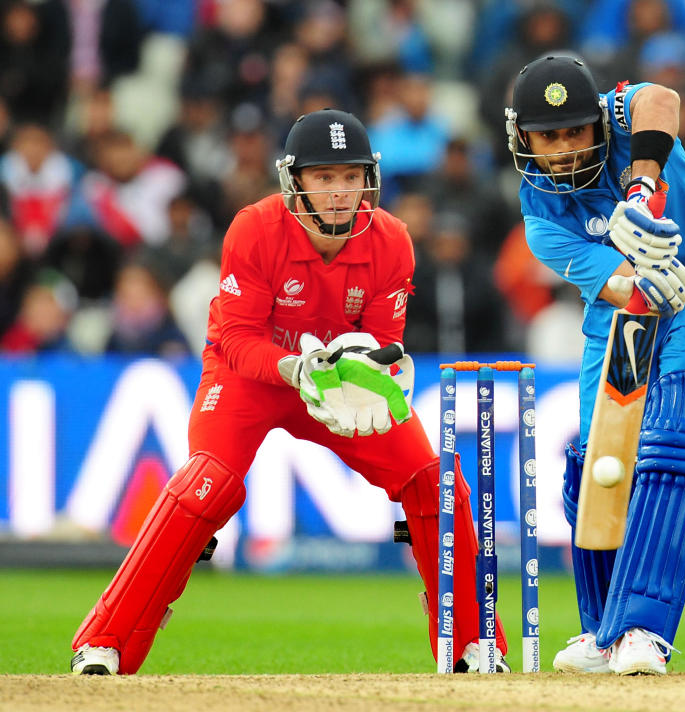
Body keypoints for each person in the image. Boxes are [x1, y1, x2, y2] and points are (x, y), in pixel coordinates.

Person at [69, 109, 509, 675]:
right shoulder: (255, 228)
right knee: (208, 485)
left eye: (351, 177)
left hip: (336, 384)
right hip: (252, 377)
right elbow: (236, 338)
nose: (339, 193)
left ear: (369, 179)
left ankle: (472, 642)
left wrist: (381, 371)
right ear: (295, 180)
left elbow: (382, 341)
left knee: (431, 481)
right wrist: (297, 370)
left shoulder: (393, 240)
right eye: (324, 178)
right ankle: (105, 641)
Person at [504, 55, 685, 675]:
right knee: (597, 463)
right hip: (627, 307)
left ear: (598, 124)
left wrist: (642, 188)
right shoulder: (539, 216)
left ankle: (644, 628)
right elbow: (616, 287)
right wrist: (642, 275)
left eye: (575, 132)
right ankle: (604, 630)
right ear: (523, 139)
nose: (563, 149)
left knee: (679, 431)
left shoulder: (622, 116)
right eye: (548, 136)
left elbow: (662, 98)